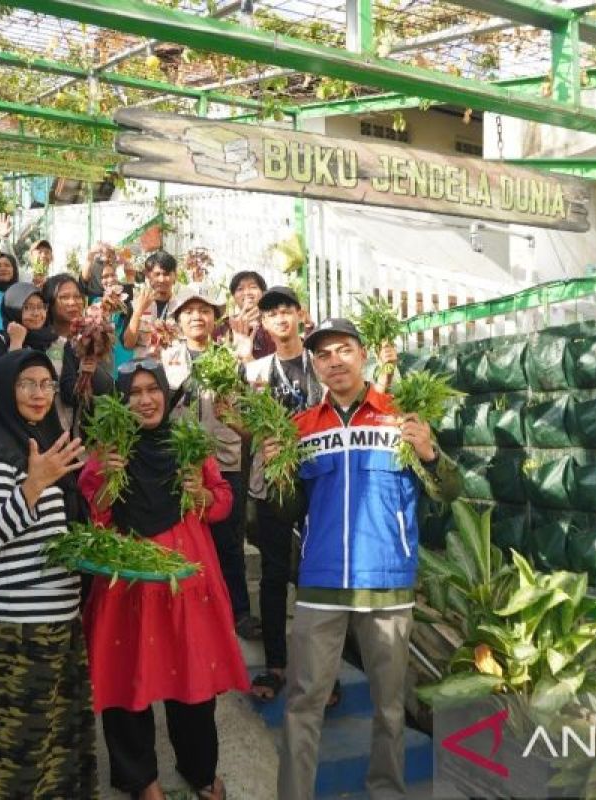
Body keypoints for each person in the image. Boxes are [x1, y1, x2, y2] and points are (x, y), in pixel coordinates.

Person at [267, 318, 463, 800]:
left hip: (386, 582)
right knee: (303, 704)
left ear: (363, 355)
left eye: (343, 350)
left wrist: (430, 453)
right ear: (314, 365)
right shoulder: (300, 428)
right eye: (323, 354)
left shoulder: (402, 418)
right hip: (319, 583)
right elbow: (285, 512)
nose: (334, 360)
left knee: (390, 707)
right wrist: (277, 470)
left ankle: (387, 793)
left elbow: (450, 492)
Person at [79, 360, 248, 800]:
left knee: (192, 681)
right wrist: (103, 475)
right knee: (125, 680)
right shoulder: (108, 449)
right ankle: (141, 780)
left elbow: (224, 502)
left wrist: (204, 494)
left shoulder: (189, 443)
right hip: (127, 584)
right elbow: (92, 516)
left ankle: (199, 769)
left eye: (152, 389)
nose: (144, 400)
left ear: (166, 395)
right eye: (133, 392)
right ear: (121, 401)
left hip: (184, 581)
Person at [0, 349, 95, 798]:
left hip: (60, 623)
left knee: (54, 743)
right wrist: (32, 486)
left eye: (46, 384)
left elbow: (56, 532)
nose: (38, 394)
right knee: (5, 753)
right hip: (14, 631)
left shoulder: (49, 446)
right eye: (26, 384)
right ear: (6, 389)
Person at [242, 286, 326, 703]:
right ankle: (276, 664)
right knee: (274, 575)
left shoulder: (322, 365)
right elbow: (245, 428)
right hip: (272, 484)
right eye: (271, 312)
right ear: (264, 323)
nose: (279, 318)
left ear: (299, 314)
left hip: (320, 482)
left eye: (286, 310)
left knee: (317, 576)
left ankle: (320, 671)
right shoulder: (254, 371)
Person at [162, 285, 259, 640]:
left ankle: (239, 612)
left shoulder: (231, 358)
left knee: (229, 542)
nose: (197, 317)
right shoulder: (168, 358)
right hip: (181, 464)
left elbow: (252, 406)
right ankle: (192, 610)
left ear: (215, 319)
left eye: (204, 310)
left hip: (224, 460)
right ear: (178, 321)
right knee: (183, 539)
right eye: (189, 311)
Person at [37, 273, 116, 436]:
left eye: (77, 296)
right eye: (64, 297)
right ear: (50, 302)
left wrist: (91, 371)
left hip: (84, 432)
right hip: (45, 428)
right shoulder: (39, 340)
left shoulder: (95, 336)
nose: (73, 302)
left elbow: (108, 386)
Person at [82, 249, 135, 372]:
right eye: (105, 276)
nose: (110, 280)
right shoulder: (94, 302)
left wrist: (124, 261)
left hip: (124, 357)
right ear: (96, 279)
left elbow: (130, 292)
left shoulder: (123, 298)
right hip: (104, 360)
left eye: (113, 275)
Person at [122, 250, 179, 358]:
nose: (161, 279)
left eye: (167, 274)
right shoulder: (135, 304)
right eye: (157, 274)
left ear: (175, 275)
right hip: (143, 370)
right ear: (148, 275)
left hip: (173, 369)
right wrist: (138, 312)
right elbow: (128, 344)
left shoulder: (183, 306)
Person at [216, 270, 275, 362]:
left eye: (253, 287)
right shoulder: (225, 326)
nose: (247, 292)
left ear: (263, 293)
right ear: (233, 297)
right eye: (240, 289)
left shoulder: (273, 324)